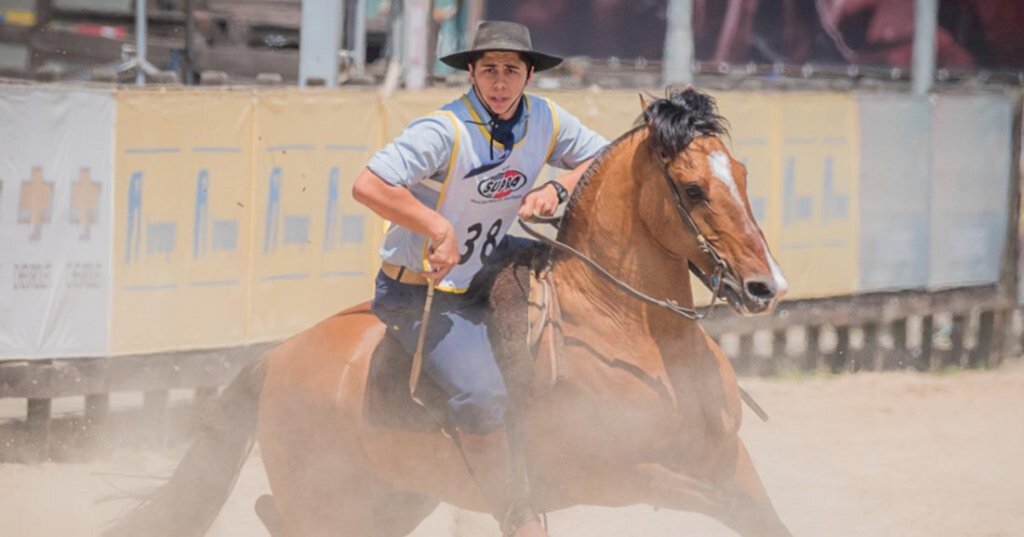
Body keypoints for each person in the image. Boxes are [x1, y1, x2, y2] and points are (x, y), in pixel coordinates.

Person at [352, 20, 608, 537]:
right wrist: (435, 224)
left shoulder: (547, 119)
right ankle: (516, 517)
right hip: (419, 290)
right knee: (481, 394)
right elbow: (368, 184)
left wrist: (559, 189)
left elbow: (606, 157)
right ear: (470, 72)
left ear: (529, 75)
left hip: (490, 262)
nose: (499, 80)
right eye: (488, 68)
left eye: (510, 69)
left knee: (583, 290)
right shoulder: (441, 130)